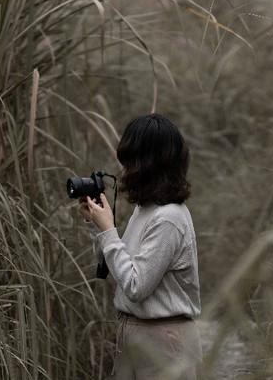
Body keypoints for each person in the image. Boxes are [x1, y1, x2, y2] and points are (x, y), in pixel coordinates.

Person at [79, 113, 202, 380]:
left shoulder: (169, 217)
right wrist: (98, 226)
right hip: (136, 334)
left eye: (130, 161)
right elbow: (121, 267)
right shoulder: (146, 209)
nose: (124, 169)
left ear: (148, 163)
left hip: (162, 341)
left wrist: (110, 230)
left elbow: (136, 286)